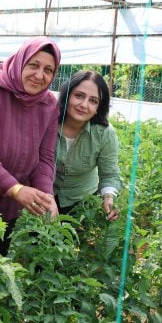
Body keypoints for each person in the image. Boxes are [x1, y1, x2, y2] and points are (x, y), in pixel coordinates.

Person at [0, 37, 61, 254]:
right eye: (33, 65)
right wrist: (16, 189)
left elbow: (45, 157)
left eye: (48, 70)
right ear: (20, 62)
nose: (39, 75)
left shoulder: (49, 104)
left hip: (10, 206)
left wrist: (45, 196)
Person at [54, 70, 121, 220]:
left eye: (93, 101)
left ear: (99, 107)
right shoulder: (48, 121)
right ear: (67, 95)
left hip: (81, 203)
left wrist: (109, 196)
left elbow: (109, 173)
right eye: (79, 96)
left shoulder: (104, 133)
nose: (84, 105)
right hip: (42, 197)